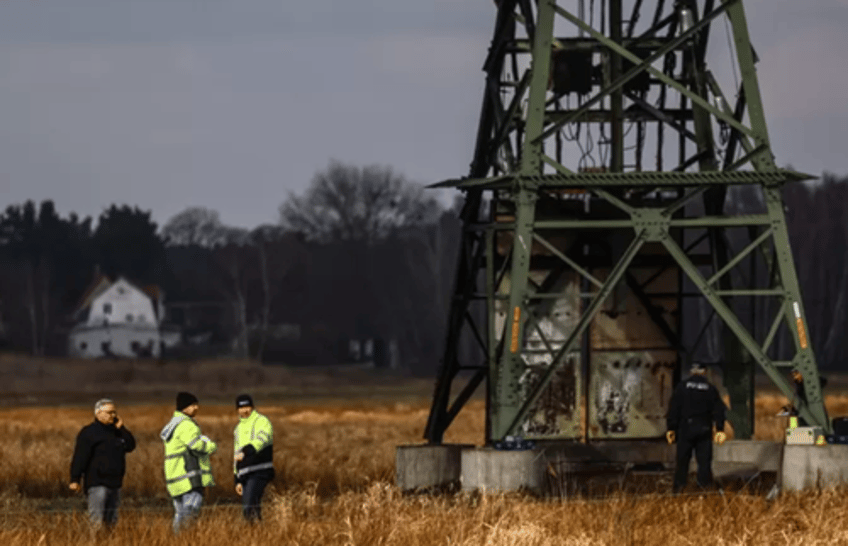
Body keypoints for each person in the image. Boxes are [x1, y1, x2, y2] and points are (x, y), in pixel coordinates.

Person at [69, 398, 136, 529]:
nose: (113, 415)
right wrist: (75, 479)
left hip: (115, 483)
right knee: (97, 522)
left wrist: (122, 428)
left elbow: (131, 446)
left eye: (114, 412)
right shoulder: (89, 432)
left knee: (111, 522)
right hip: (97, 483)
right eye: (109, 412)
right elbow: (80, 456)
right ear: (98, 413)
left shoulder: (117, 432)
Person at [160, 391, 218, 533]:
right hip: (189, 477)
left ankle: (176, 541)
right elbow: (195, 445)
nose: (196, 408)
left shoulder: (173, 424)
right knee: (190, 513)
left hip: (175, 478)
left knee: (179, 513)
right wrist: (211, 446)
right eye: (192, 405)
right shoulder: (186, 424)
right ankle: (185, 540)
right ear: (184, 407)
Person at [666, 362, 727, 493]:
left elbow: (674, 408)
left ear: (691, 372)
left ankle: (679, 489)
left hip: (685, 429)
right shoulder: (710, 389)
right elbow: (719, 410)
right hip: (704, 429)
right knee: (704, 462)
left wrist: (671, 428)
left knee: (682, 461)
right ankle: (704, 488)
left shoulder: (682, 387)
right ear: (704, 372)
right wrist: (720, 429)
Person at [233, 394, 275, 522]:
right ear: (237, 410)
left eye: (247, 406)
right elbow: (236, 454)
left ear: (252, 407)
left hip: (260, 470)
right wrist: (237, 479)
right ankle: (258, 536)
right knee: (251, 510)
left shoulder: (262, 421)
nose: (245, 410)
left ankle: (253, 534)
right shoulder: (238, 429)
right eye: (241, 407)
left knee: (249, 507)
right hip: (245, 473)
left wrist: (247, 450)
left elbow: (263, 438)